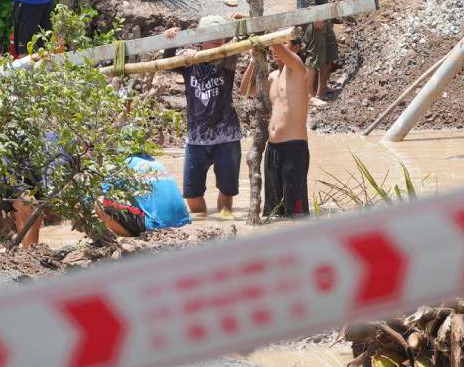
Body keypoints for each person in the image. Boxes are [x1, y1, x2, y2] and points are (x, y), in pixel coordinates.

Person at [161, 16, 242, 216]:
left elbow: (248, 38)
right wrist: (171, 41)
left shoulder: (227, 57)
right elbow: (167, 64)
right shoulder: (189, 61)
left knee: (226, 191)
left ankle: (225, 228)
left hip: (227, 136)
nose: (217, 39)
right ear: (200, 38)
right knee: (191, 194)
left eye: (220, 35)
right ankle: (204, 223)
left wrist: (244, 22)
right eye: (211, 34)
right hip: (197, 137)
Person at [240, 35, 314, 216]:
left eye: (284, 42)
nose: (275, 50)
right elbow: (245, 91)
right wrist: (253, 58)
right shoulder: (272, 77)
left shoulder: (298, 68)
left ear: (296, 47)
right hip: (272, 149)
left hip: (294, 148)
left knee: (296, 213)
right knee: (273, 212)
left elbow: (276, 45)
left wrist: (262, 34)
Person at [96, 154, 192, 237]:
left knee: (99, 203)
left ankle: (130, 236)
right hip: (183, 222)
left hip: (157, 225)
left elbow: (95, 192)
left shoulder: (123, 165)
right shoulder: (156, 162)